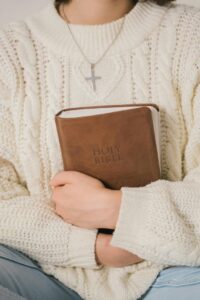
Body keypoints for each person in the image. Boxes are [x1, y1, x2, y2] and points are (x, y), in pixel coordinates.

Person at [0, 0, 200, 299]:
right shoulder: (10, 50)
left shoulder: (191, 34)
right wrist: (90, 247)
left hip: (174, 271)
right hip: (42, 272)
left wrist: (118, 210)